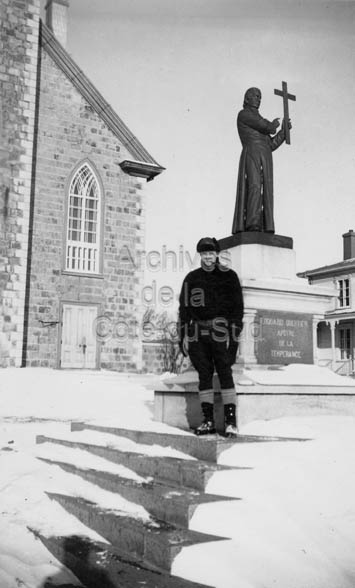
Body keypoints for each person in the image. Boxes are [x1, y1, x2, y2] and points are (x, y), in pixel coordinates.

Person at [178, 237, 244, 437]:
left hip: (220, 332)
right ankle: (208, 421)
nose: (208, 257)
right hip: (198, 333)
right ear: (200, 255)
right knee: (204, 375)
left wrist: (233, 337)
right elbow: (184, 309)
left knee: (225, 372)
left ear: (217, 254)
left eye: (211, 253)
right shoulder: (192, 278)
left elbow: (237, 308)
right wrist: (183, 336)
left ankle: (230, 422)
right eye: (204, 254)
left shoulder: (229, 276)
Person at [232, 87, 291, 234]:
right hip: (252, 153)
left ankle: (266, 225)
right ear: (247, 98)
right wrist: (273, 126)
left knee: (267, 190)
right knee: (254, 186)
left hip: (265, 156)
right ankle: (252, 223)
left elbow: (270, 144)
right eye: (256, 96)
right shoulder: (244, 115)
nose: (258, 99)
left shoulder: (259, 120)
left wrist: (284, 132)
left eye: (260, 97)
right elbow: (265, 126)